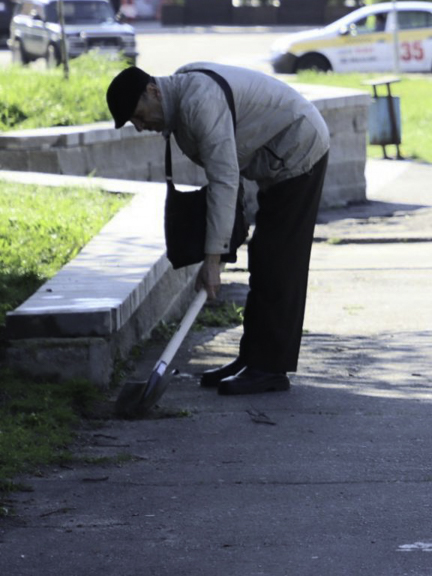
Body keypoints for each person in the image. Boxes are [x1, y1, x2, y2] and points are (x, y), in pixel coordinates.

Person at [106, 63, 330, 396]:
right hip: (277, 156)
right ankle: (253, 357)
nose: (139, 127)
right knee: (264, 258)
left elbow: (224, 178)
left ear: (153, 91)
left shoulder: (197, 104)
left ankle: (269, 369)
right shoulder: (180, 100)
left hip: (300, 149)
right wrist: (222, 240)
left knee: (278, 262)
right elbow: (226, 168)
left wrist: (212, 262)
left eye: (138, 115)